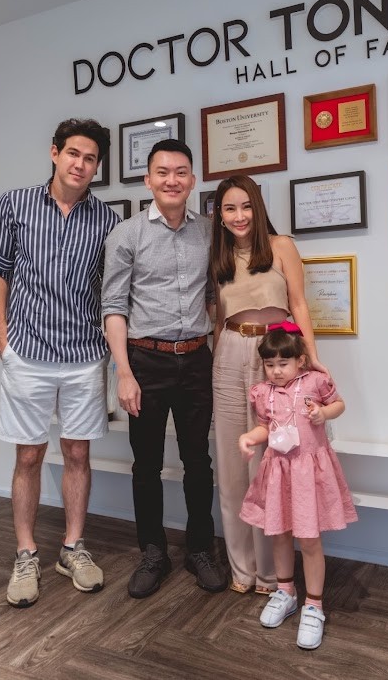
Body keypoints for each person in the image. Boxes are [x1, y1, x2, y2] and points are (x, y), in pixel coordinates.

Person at [0, 118, 120, 607]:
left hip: (83, 355)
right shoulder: (15, 204)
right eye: (74, 154)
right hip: (28, 352)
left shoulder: (107, 221)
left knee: (79, 453)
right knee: (28, 456)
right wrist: (2, 335)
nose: (81, 164)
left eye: (90, 159)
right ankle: (25, 553)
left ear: (97, 167)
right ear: (55, 152)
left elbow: (111, 290)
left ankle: (72, 548)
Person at [101, 138, 227, 599]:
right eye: (162, 172)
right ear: (148, 179)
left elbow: (213, 297)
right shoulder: (127, 235)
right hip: (145, 361)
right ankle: (153, 552)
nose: (172, 180)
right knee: (146, 464)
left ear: (192, 180)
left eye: (180, 172)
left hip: (195, 360)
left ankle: (200, 549)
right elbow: (114, 306)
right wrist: (124, 372)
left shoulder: (209, 232)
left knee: (199, 461)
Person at [211, 174, 328, 595]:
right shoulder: (218, 255)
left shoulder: (281, 247)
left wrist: (311, 358)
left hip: (276, 354)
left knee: (273, 459)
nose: (239, 215)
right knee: (232, 462)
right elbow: (216, 316)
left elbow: (298, 304)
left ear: (258, 209)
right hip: (229, 352)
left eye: (246, 206)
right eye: (229, 208)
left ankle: (272, 573)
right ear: (219, 216)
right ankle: (242, 569)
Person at [239, 324, 357, 649]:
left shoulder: (315, 381)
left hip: (309, 474)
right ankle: (285, 591)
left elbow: (339, 404)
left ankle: (314, 605)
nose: (276, 371)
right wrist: (249, 437)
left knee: (309, 539)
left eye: (283, 363)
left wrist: (323, 413)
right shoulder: (262, 392)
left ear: (300, 360)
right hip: (278, 473)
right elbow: (264, 427)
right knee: (279, 534)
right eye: (270, 364)